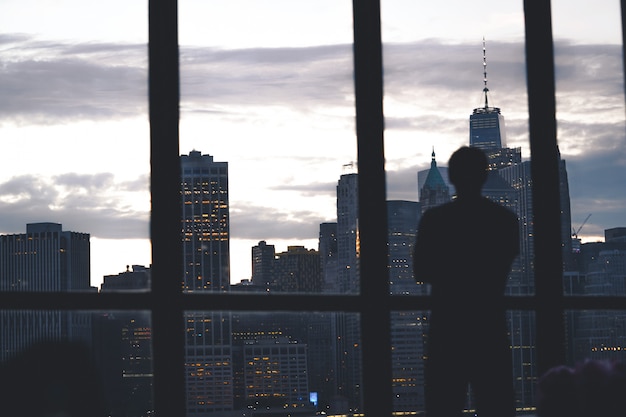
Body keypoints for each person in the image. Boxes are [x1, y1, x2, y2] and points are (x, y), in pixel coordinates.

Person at [414, 146, 519, 417]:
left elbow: (421, 271)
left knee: (443, 404)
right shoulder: (505, 220)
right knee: (497, 404)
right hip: (490, 326)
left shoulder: (434, 220)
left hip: (447, 327)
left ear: (453, 178)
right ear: (485, 176)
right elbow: (504, 265)